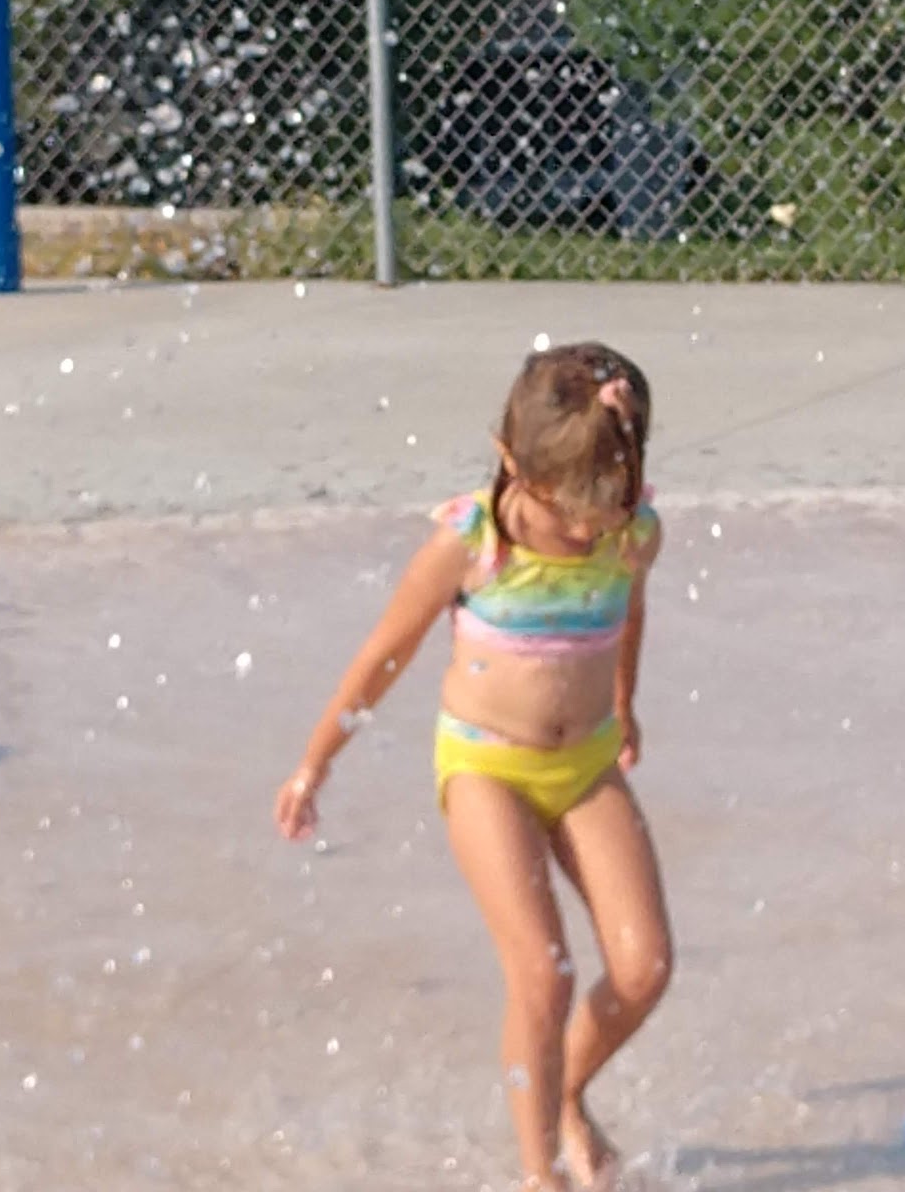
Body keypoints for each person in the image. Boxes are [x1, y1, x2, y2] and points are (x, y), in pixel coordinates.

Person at [275, 340, 673, 1190]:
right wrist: (315, 763)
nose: (585, 531)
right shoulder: (472, 543)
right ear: (509, 460)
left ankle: (565, 1095)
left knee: (644, 968)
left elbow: (629, 614)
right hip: (487, 769)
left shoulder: (631, 531)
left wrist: (626, 703)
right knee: (544, 974)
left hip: (586, 764)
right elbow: (385, 654)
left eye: (602, 509)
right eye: (568, 511)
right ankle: (540, 1175)